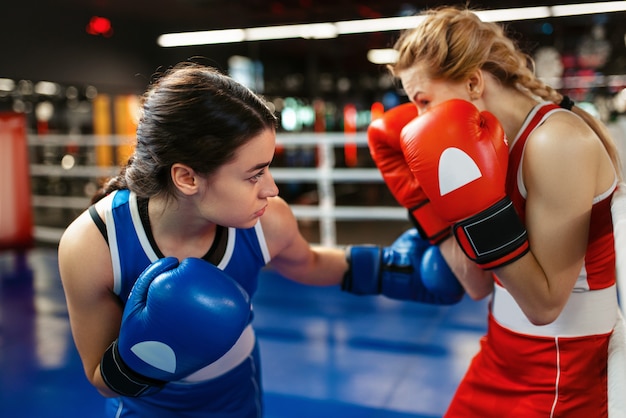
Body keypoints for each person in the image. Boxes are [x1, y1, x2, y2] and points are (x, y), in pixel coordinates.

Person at [57, 61, 465, 418]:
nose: (270, 188)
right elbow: (101, 379)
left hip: (239, 397)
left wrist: (395, 272)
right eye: (254, 174)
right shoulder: (94, 246)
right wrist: (147, 358)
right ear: (187, 177)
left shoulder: (265, 220)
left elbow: (308, 262)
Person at [369, 5, 625, 417]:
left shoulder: (556, 142)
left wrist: (475, 211)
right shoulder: (485, 151)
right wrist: (427, 198)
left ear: (473, 82)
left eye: (422, 101)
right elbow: (477, 286)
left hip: (563, 369)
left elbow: (544, 306)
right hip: (500, 349)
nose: (417, 120)